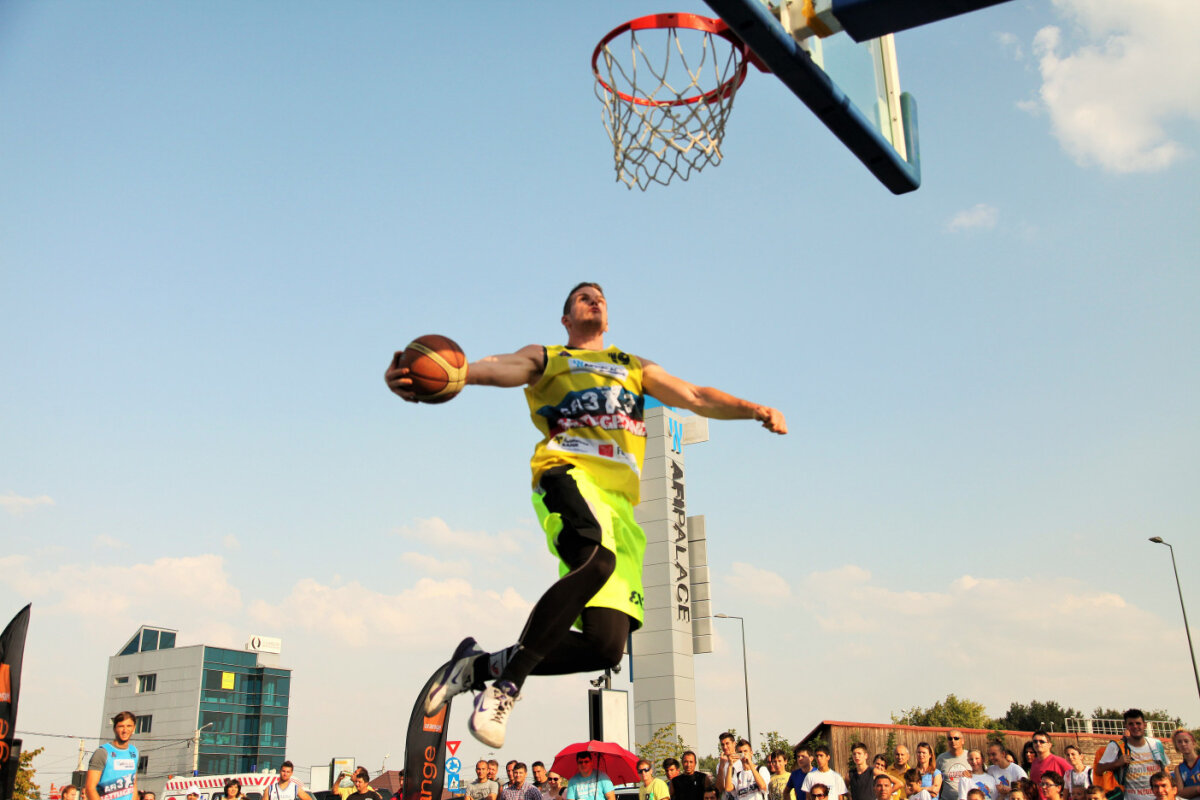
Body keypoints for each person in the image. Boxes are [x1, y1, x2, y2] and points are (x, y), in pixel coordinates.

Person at [393, 282, 787, 747]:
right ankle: (507, 686)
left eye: (600, 296)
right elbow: (501, 367)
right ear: (566, 319)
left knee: (605, 646)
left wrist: (754, 409)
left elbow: (695, 396)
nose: (595, 300)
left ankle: (476, 667)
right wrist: (450, 375)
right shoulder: (549, 357)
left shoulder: (633, 367)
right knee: (596, 560)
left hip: (620, 504)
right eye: (583, 297)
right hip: (567, 472)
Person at [1095, 710, 1170, 800]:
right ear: (1126, 726)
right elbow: (1098, 770)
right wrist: (1117, 763)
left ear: (1144, 725)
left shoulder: (1155, 744)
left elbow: (1165, 770)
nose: (1135, 727)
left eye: (1138, 723)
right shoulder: (1116, 746)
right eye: (1131, 724)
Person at [86, 712, 139, 800]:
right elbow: (90, 788)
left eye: (129, 726)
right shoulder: (102, 752)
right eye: (121, 726)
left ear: (134, 728)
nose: (125, 730)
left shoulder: (134, 752)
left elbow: (134, 785)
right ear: (114, 729)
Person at [1028, 733, 1071, 800]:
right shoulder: (1034, 762)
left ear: (1049, 745)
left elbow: (1073, 779)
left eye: (1042, 741)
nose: (1038, 744)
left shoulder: (1059, 761)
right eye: (1035, 741)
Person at [938, 733, 972, 800]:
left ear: (962, 741)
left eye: (956, 738)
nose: (953, 741)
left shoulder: (971, 756)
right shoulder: (941, 758)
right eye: (950, 739)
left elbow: (982, 773)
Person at [1172, 729, 1200, 799]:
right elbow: (1180, 793)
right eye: (1179, 742)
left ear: (1193, 743)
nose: (1183, 744)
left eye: (1186, 741)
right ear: (1176, 746)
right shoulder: (1178, 769)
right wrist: (1197, 789)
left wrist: (1189, 790)